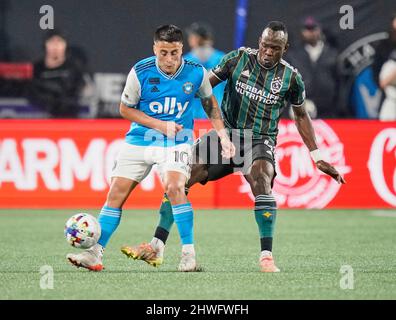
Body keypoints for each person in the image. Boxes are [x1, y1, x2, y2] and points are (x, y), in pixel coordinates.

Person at [124, 21, 346, 273]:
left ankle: (266, 257)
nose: (268, 52)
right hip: (224, 135)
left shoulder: (291, 77)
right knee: (180, 179)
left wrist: (316, 156)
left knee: (262, 179)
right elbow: (202, 88)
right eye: (264, 45)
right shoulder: (238, 59)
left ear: (285, 48)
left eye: (275, 47)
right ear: (259, 42)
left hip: (259, 140)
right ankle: (157, 245)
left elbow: (301, 116)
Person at [66, 25, 235, 272]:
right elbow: (125, 109)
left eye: (174, 53)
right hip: (139, 140)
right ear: (155, 48)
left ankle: (189, 255)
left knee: (176, 187)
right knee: (115, 195)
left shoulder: (196, 72)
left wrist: (223, 136)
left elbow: (210, 104)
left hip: (177, 142)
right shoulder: (141, 71)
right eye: (163, 52)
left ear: (182, 49)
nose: (169, 59)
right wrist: (159, 124)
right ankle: (95, 254)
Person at [286, 17, 339, 119]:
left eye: (313, 28)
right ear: (302, 31)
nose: (310, 32)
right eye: (307, 29)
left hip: (327, 109)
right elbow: (286, 81)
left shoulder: (332, 53)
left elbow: (339, 82)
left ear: (319, 29)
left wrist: (338, 106)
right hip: (300, 106)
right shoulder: (294, 55)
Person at [29, 29, 84, 118]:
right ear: (45, 45)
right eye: (51, 42)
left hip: (68, 116)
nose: (55, 46)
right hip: (41, 115)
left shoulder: (73, 67)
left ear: (65, 45)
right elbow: (32, 92)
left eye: (59, 42)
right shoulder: (37, 68)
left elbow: (79, 89)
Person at [184, 22, 225, 119]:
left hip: (193, 118)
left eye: (191, 36)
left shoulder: (185, 62)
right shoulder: (223, 59)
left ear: (196, 38)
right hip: (217, 117)